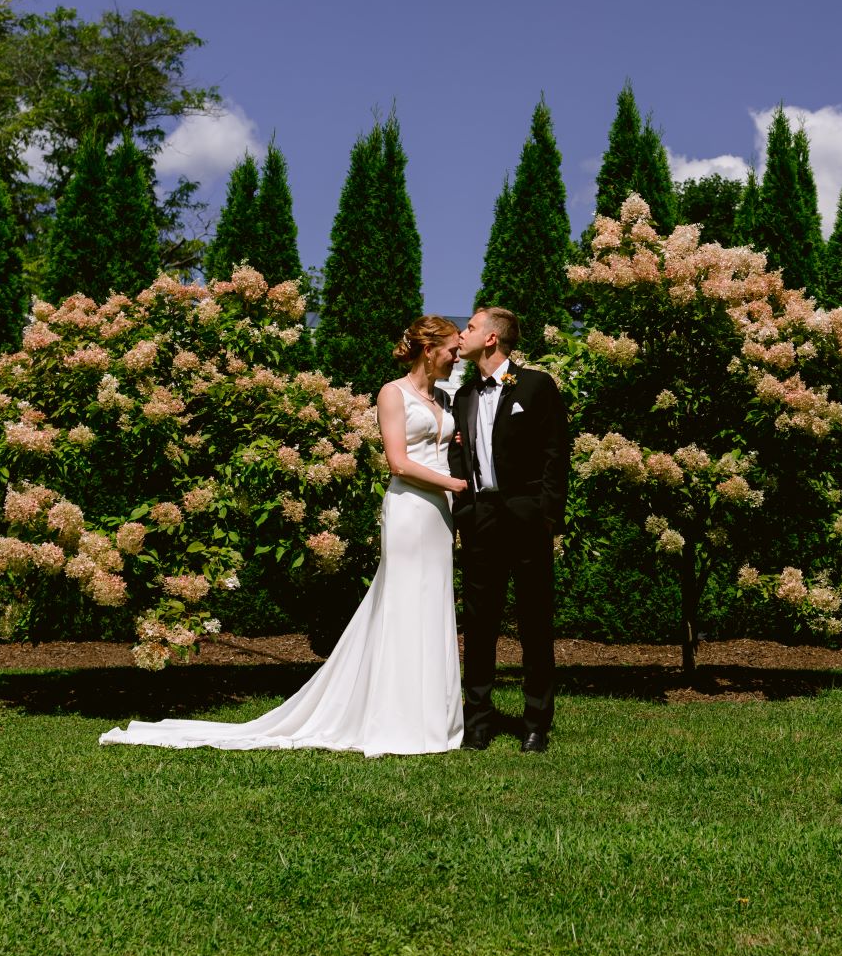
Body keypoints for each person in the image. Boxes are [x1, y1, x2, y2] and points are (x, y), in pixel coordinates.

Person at [99, 316, 468, 758]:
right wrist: (456, 485)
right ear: (429, 350)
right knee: (405, 604)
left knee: (432, 605)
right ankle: (398, 718)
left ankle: (433, 719)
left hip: (438, 517)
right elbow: (399, 463)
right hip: (411, 509)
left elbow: (437, 447)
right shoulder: (393, 393)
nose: (456, 356)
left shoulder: (442, 398)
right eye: (451, 350)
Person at [448, 307, 570, 753]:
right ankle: (478, 720)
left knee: (535, 620)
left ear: (492, 339)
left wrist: (546, 514)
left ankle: (536, 722)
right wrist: (465, 512)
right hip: (480, 520)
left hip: (526, 518)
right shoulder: (462, 397)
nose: (462, 334)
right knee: (479, 622)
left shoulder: (536, 385)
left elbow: (557, 453)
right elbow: (458, 458)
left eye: (470, 328)